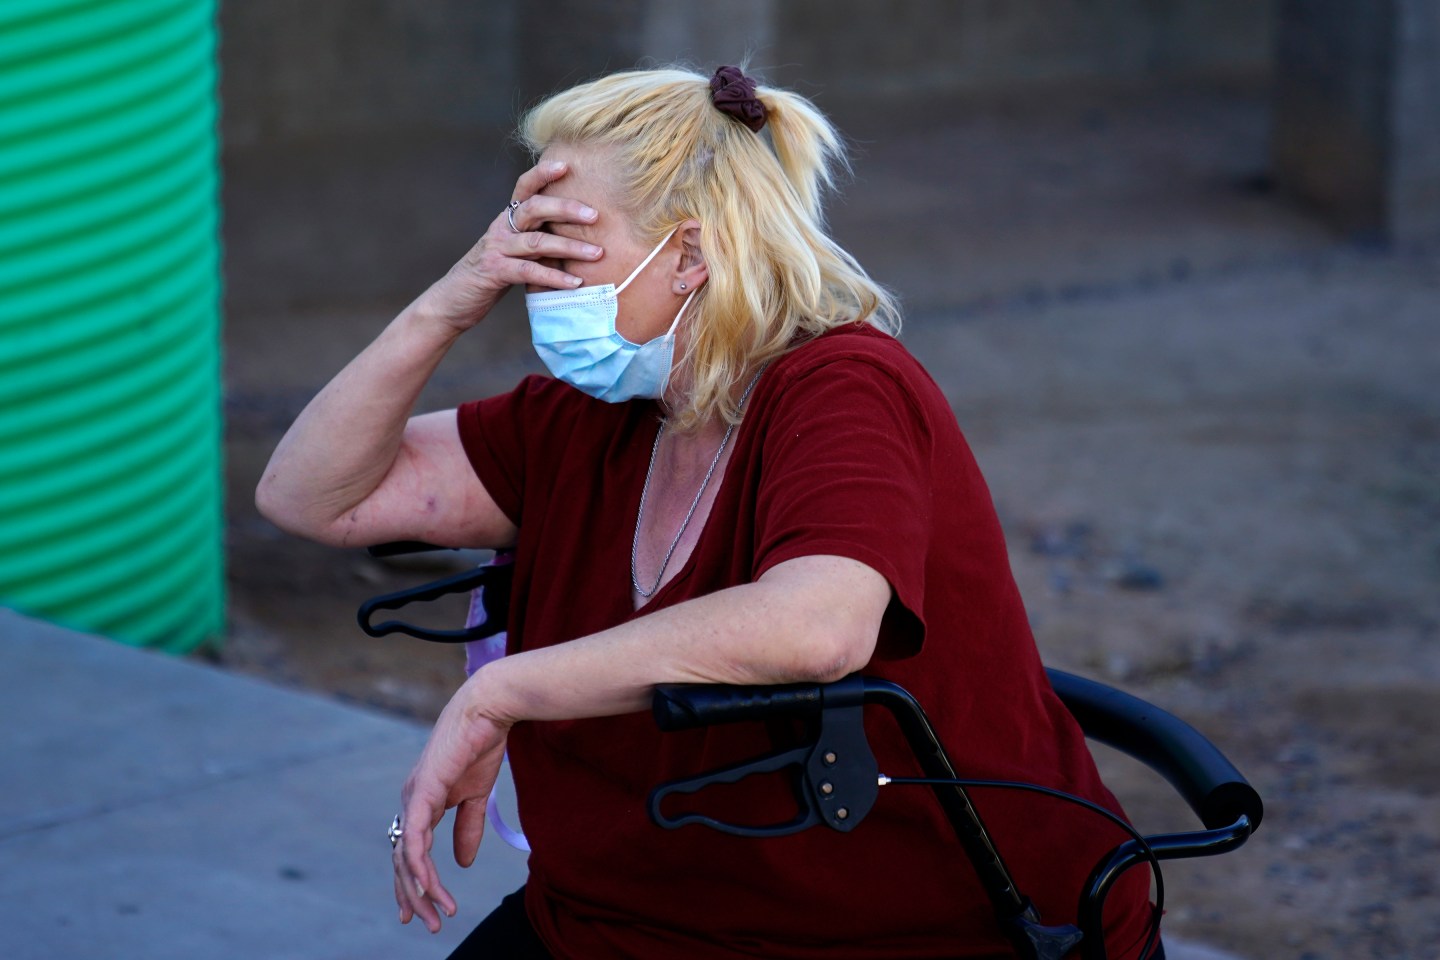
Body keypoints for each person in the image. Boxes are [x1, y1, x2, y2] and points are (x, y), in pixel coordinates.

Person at [257, 64, 1157, 960]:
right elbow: (309, 496)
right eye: (522, 239)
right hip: (616, 921)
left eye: (563, 245)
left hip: (894, 935)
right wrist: (445, 303)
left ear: (689, 255)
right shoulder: (589, 416)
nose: (532, 279)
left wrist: (504, 691)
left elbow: (818, 624)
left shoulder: (843, 387)